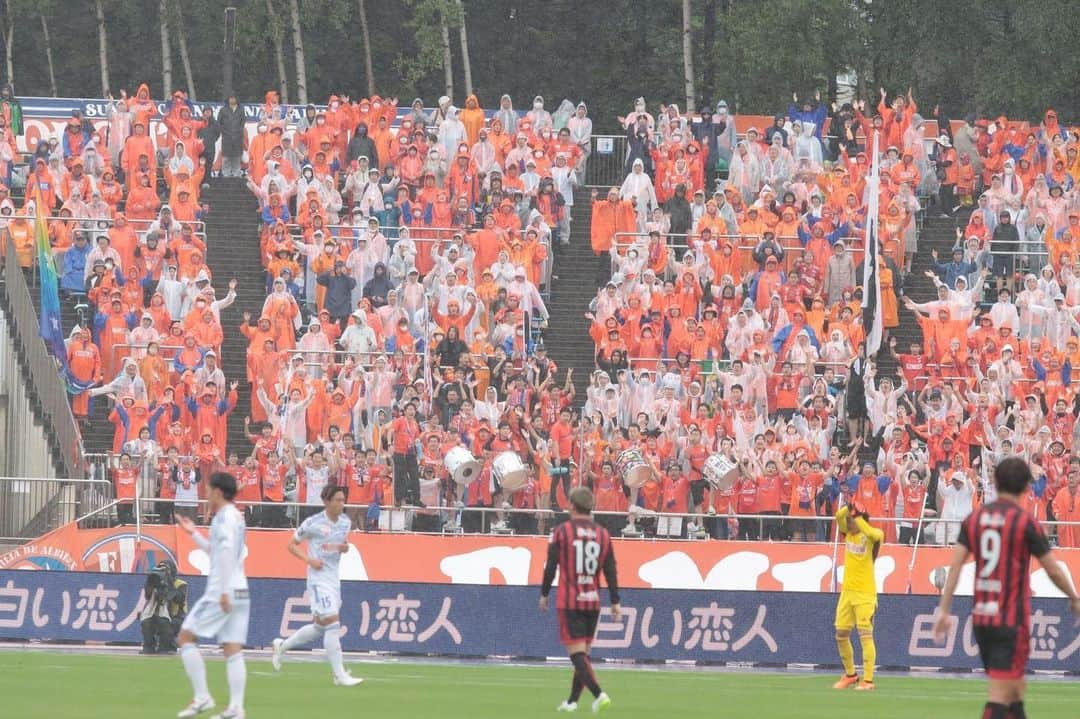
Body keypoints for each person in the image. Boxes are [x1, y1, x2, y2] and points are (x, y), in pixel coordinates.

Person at [934, 458, 1080, 719]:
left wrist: (944, 609)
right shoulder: (1025, 522)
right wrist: (1074, 597)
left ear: (996, 482)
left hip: (981, 618)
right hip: (1010, 619)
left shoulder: (975, 519)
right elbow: (1053, 569)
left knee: (1014, 693)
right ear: (1026, 487)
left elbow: (954, 568)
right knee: (1000, 696)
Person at [271, 484, 363, 686]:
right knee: (333, 623)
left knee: (319, 627)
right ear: (327, 502)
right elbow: (291, 545)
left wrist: (344, 547)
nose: (341, 503)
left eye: (343, 500)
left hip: (333, 578)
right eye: (337, 500)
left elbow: (341, 544)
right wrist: (309, 560)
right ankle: (339, 675)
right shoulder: (313, 523)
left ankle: (282, 646)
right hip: (318, 580)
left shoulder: (346, 522)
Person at [175, 472, 249, 719]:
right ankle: (236, 708)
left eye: (207, 490)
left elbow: (225, 553)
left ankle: (202, 697)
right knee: (232, 648)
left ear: (218, 492)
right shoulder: (237, 517)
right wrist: (193, 533)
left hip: (222, 590)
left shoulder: (223, 518)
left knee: (186, 637)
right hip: (241, 588)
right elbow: (216, 551)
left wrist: (224, 591)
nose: (205, 495)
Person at [539, 486, 618, 714]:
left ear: (572, 506)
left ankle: (599, 694)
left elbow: (551, 566)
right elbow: (611, 569)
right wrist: (615, 600)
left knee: (576, 655)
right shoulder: (603, 533)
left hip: (570, 600)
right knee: (583, 654)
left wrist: (544, 593)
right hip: (593, 600)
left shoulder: (561, 532)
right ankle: (572, 702)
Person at [832, 500, 883, 691]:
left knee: (865, 635)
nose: (847, 523)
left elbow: (870, 533)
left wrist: (858, 516)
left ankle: (868, 680)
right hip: (847, 593)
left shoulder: (874, 535)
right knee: (841, 634)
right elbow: (838, 517)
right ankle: (851, 674)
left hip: (865, 594)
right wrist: (849, 506)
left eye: (850, 520)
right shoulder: (848, 535)